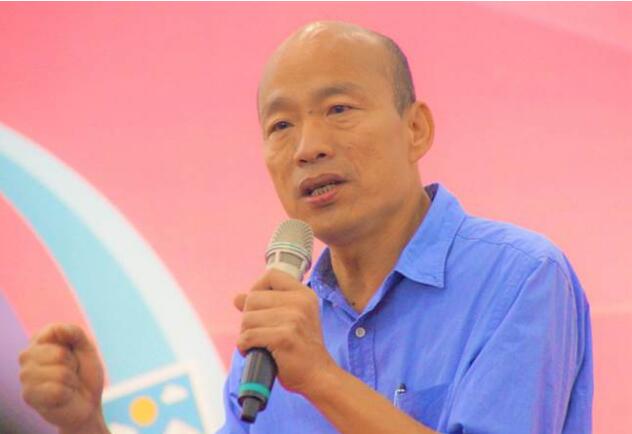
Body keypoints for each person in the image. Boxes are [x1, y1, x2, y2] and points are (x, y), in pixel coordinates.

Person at [18, 21, 593, 434]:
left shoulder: (519, 277)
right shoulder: (278, 333)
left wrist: (319, 377)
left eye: (338, 110)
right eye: (280, 126)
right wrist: (86, 424)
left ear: (415, 129)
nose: (307, 147)